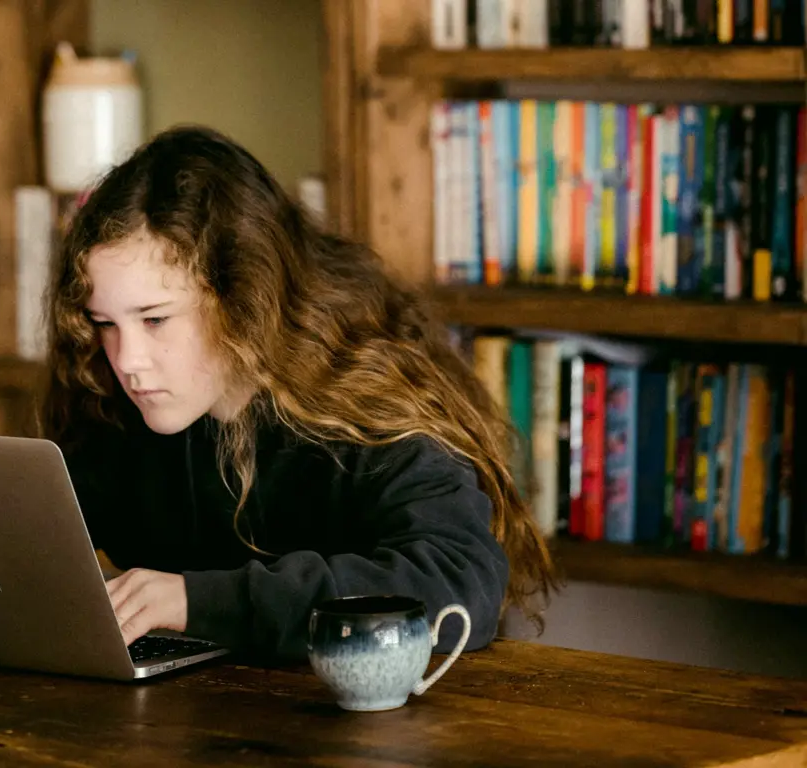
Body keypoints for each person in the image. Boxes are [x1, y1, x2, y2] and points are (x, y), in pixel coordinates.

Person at [40, 125, 556, 663]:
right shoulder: (109, 399)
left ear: (241, 296)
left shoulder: (365, 400)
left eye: (155, 319)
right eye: (105, 323)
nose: (126, 360)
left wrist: (197, 601)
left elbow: (459, 582)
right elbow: (41, 544)